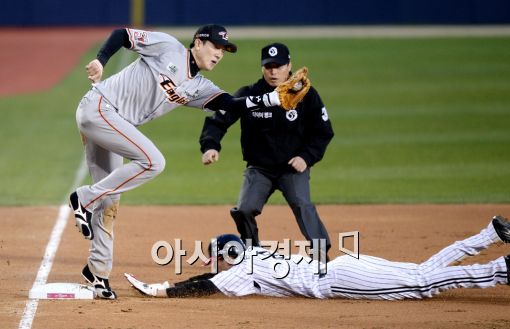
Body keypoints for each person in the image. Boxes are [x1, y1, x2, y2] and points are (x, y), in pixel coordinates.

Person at [68, 25, 309, 299]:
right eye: (216, 46)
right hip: (100, 107)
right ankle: (84, 198)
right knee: (153, 161)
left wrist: (272, 99)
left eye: (224, 50)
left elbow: (231, 103)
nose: (219, 53)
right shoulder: (168, 47)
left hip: (113, 124)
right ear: (198, 42)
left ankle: (98, 274)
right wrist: (101, 59)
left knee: (110, 201)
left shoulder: (200, 87)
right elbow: (122, 34)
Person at [125, 215, 510, 300]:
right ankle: (491, 233)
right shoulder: (255, 253)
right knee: (420, 271)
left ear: (229, 255)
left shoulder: (243, 271)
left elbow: (204, 287)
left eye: (217, 257)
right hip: (347, 264)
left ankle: (500, 270)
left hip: (342, 281)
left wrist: (162, 290)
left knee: (420, 285)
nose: (215, 263)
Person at [199, 43, 334, 257]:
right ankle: (252, 252)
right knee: (244, 209)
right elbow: (218, 120)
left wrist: (306, 157)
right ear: (262, 68)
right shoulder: (249, 95)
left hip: (292, 168)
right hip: (259, 169)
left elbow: (323, 132)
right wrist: (210, 146)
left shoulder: (305, 95)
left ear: (289, 65)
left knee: (302, 205)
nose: (273, 71)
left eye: (278, 66)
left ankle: (320, 255)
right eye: (268, 66)